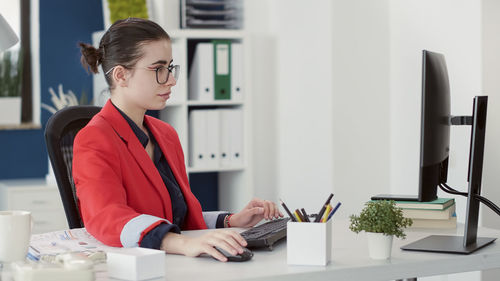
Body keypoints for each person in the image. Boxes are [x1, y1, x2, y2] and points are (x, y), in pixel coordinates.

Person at [75, 18, 282, 262]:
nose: (171, 80)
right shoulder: (93, 138)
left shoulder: (166, 135)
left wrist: (230, 220)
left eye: (170, 68)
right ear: (121, 75)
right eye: (158, 69)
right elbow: (106, 216)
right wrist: (183, 244)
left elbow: (175, 215)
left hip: (177, 264)